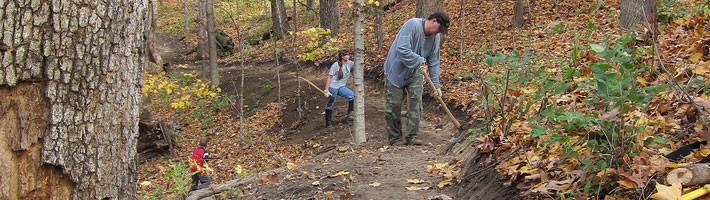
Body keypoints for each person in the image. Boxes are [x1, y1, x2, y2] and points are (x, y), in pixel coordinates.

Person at [383, 11, 449, 146]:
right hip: (396, 72)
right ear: (434, 21)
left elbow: (434, 61)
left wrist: (436, 85)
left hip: (416, 73)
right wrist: (419, 61)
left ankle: (411, 137)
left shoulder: (435, 38)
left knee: (416, 103)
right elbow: (402, 49)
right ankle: (395, 139)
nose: (439, 32)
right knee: (393, 105)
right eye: (439, 28)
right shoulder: (412, 25)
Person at [324, 50, 355, 128]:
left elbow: (358, 65)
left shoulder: (350, 63)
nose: (348, 56)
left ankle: (350, 114)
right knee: (330, 103)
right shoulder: (335, 65)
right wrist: (326, 89)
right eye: (346, 55)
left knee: (352, 96)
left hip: (341, 87)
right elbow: (329, 77)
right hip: (333, 87)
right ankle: (328, 123)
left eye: (348, 55)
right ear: (342, 57)